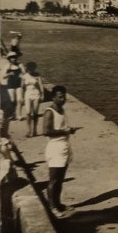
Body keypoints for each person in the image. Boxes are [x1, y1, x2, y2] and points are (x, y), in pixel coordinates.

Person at [43, 85, 78, 217]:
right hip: (55, 148)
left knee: (60, 179)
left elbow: (60, 127)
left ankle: (58, 204)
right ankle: (52, 207)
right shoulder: (49, 112)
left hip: (64, 145)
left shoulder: (61, 110)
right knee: (54, 180)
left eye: (64, 97)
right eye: (60, 97)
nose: (63, 99)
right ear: (53, 97)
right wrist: (65, 131)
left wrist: (69, 130)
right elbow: (46, 131)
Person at [21, 61, 45, 137]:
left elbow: (41, 86)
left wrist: (42, 94)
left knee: (35, 113)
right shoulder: (24, 76)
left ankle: (34, 130)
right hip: (27, 94)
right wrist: (21, 97)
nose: (31, 70)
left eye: (32, 69)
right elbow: (22, 87)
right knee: (28, 113)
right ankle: (29, 130)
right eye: (30, 69)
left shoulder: (37, 75)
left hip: (36, 94)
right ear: (27, 69)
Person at [2, 51, 25, 120]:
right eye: (11, 58)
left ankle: (19, 115)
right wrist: (9, 74)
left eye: (14, 57)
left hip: (18, 84)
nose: (13, 59)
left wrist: (22, 75)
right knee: (12, 100)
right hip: (11, 84)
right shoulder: (7, 66)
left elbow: (24, 73)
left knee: (19, 100)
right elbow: (3, 76)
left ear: (16, 58)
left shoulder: (20, 65)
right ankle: (13, 114)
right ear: (9, 59)